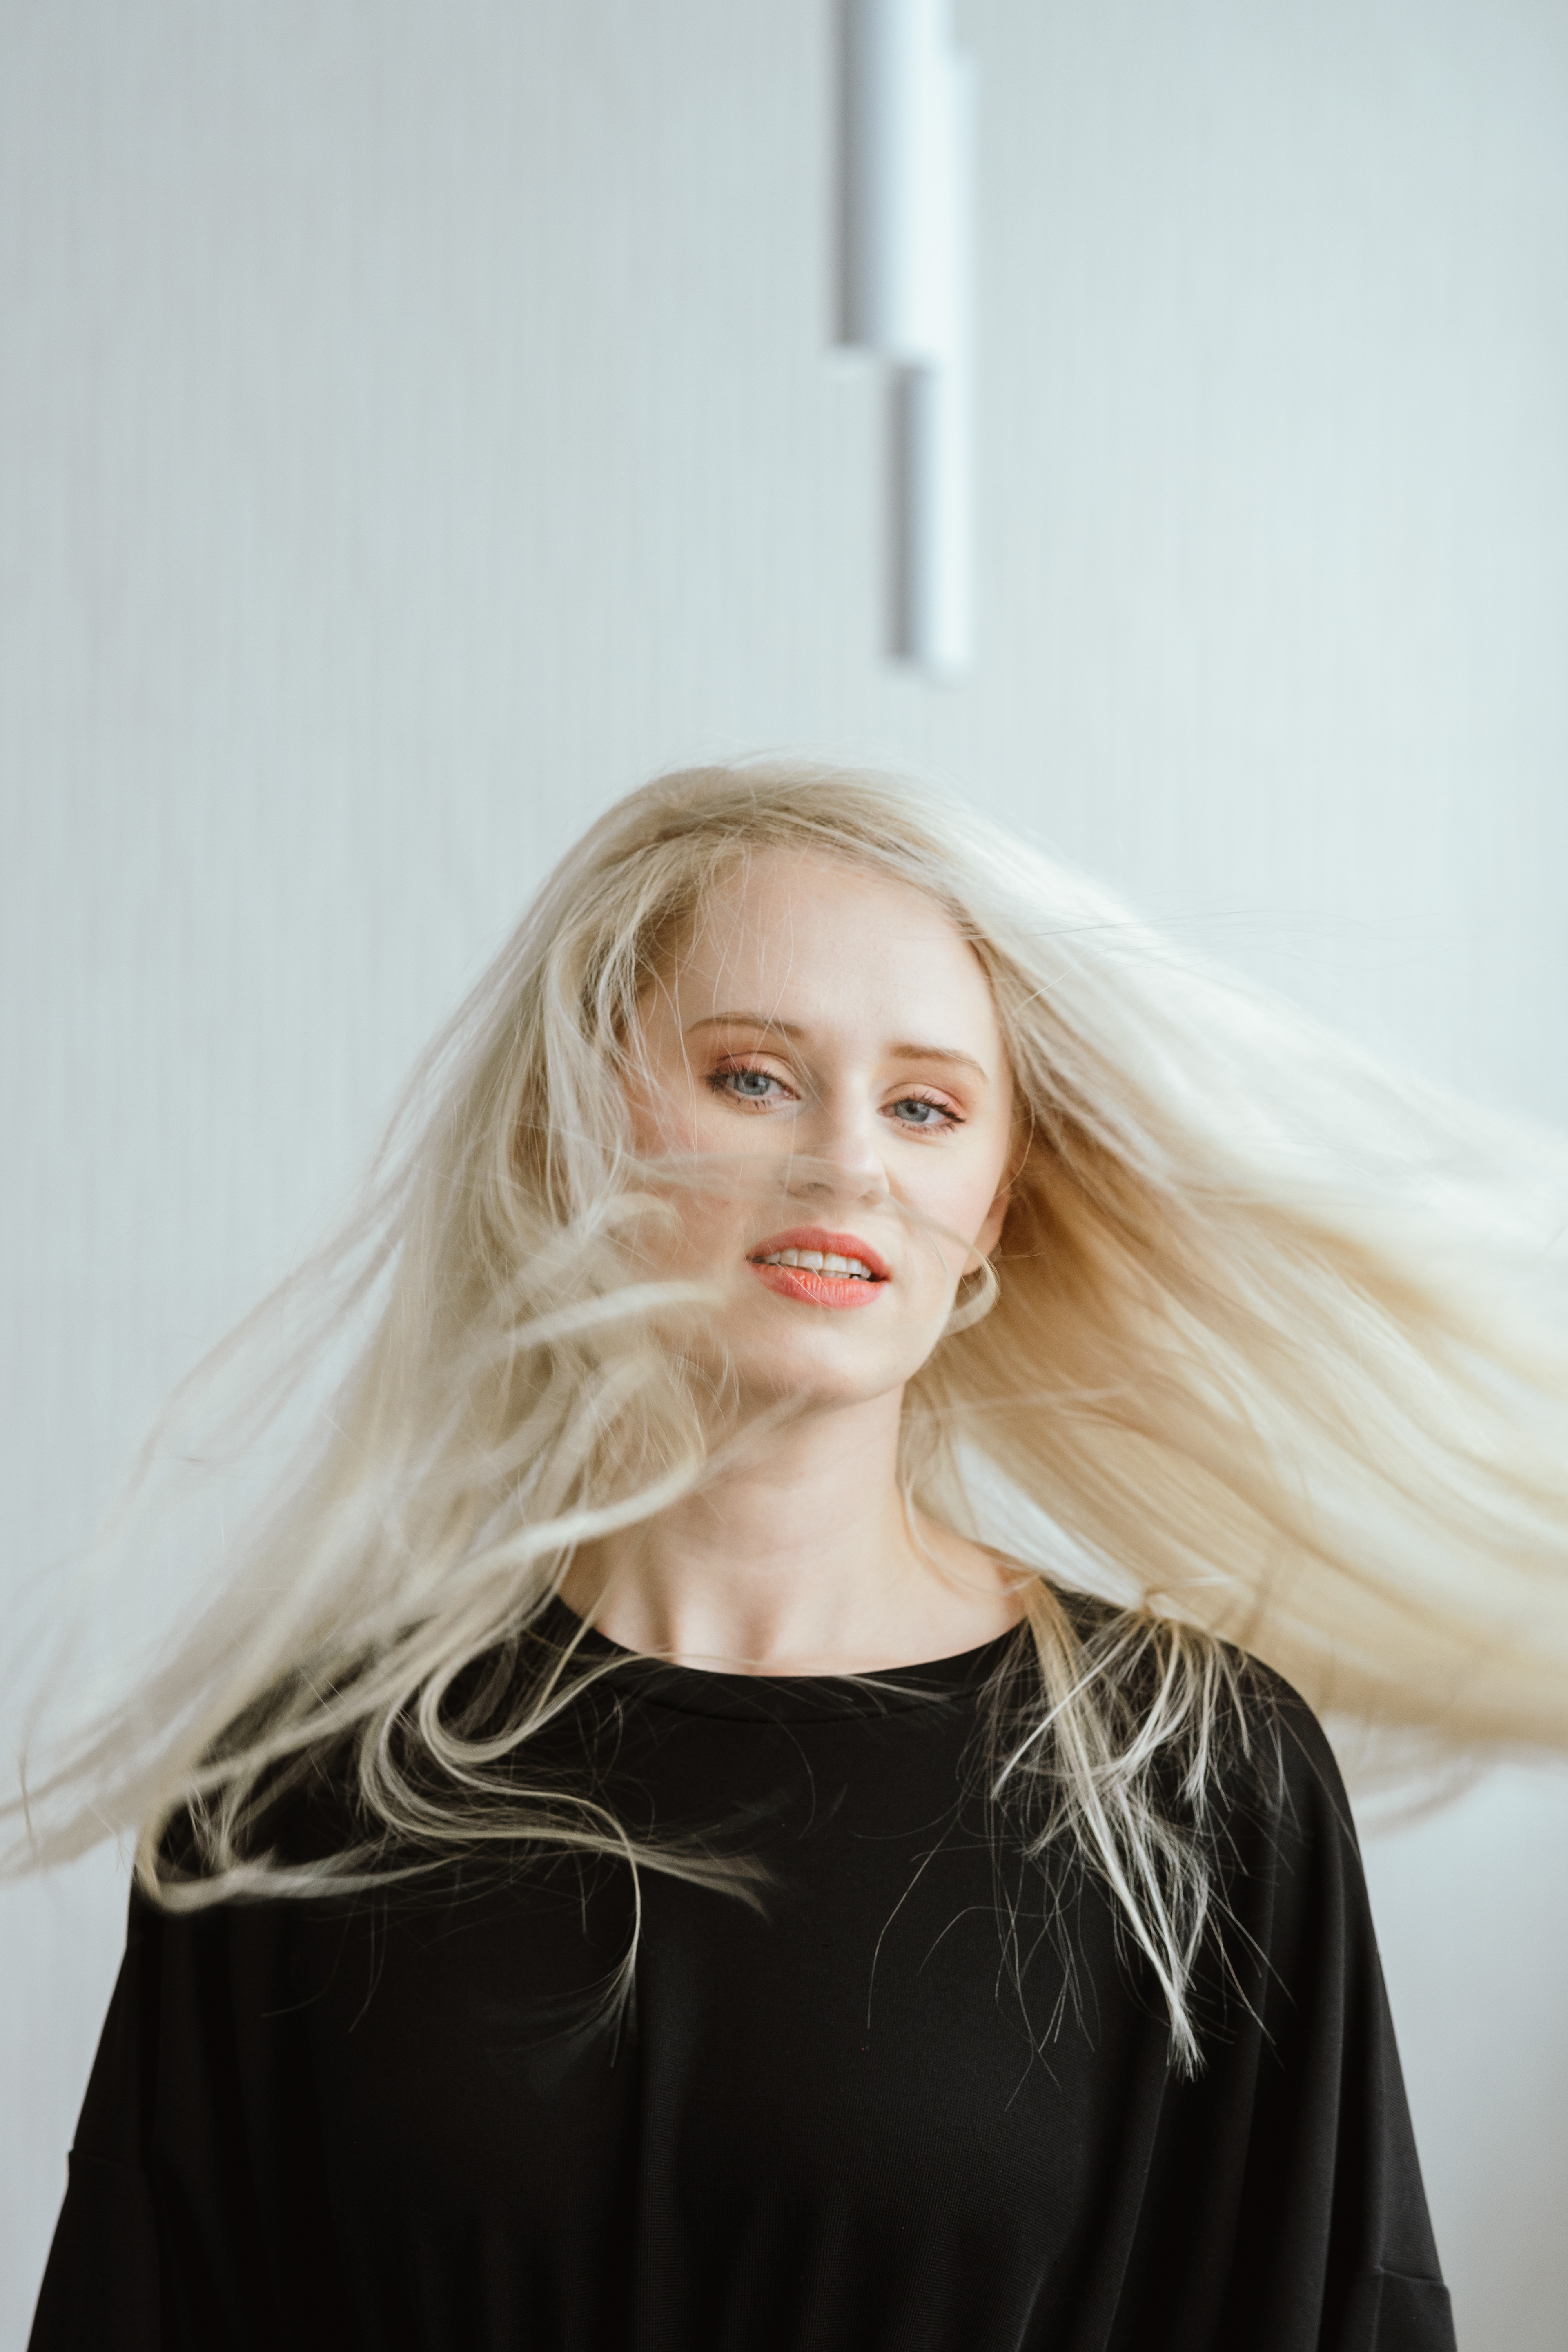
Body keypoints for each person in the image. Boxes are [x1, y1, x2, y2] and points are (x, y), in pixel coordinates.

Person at [22, 756, 1568, 2349]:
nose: (848, 1165)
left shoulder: (1189, 1779)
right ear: (576, 1124)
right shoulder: (300, 1792)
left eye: (925, 1107)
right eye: (754, 1078)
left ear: (996, 1199)